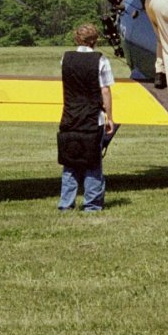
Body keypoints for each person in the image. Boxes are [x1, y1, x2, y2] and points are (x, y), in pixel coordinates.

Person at [57, 23, 115, 212]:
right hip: (92, 117)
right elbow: (105, 90)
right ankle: (92, 204)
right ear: (95, 40)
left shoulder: (66, 58)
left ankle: (66, 204)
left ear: (77, 39)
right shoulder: (101, 60)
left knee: (70, 161)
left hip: (70, 115)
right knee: (93, 162)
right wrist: (110, 117)